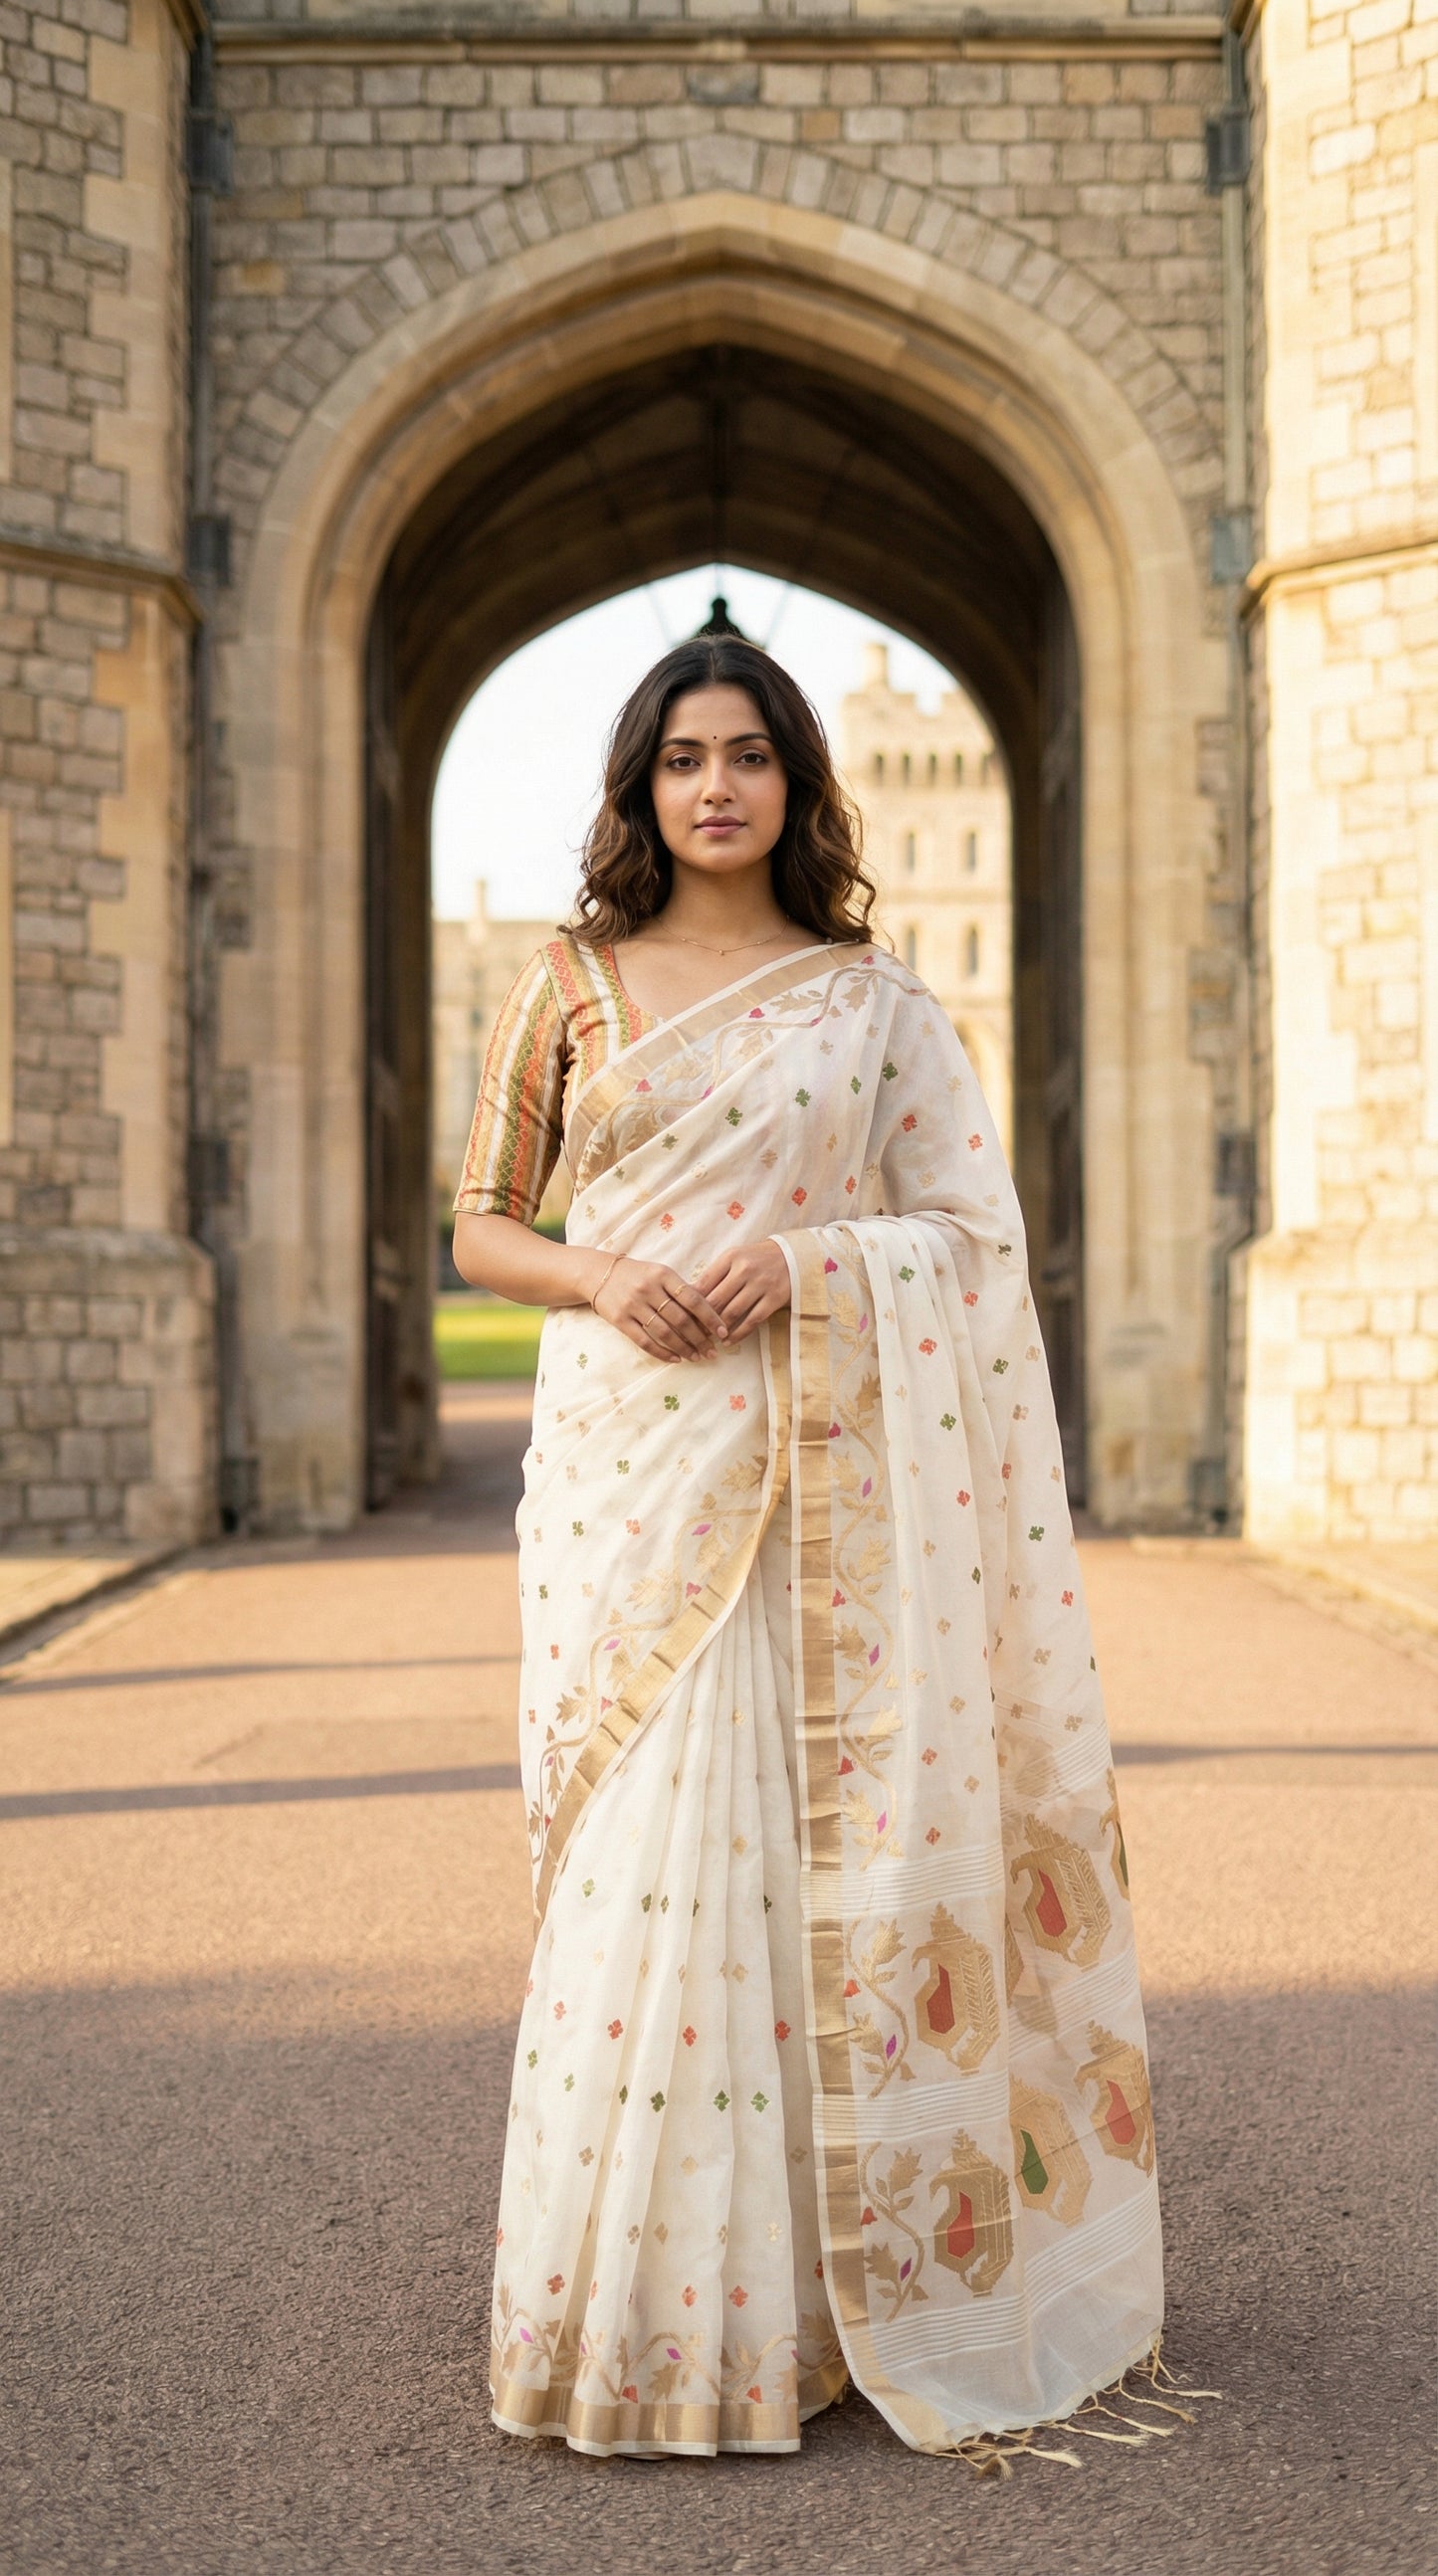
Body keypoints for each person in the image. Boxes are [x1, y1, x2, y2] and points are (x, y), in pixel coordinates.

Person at [453, 637, 1164, 2464]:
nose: (714, 787)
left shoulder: (869, 1003)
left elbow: (967, 1228)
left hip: (825, 1460)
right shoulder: (571, 983)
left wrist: (810, 1262)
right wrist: (610, 1272)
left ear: (796, 783)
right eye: (681, 757)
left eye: (749, 754)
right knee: (645, 1856)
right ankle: (640, 2316)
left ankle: (827, 2297)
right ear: (637, 786)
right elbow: (482, 1225)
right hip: (637, 1462)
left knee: (799, 1845)